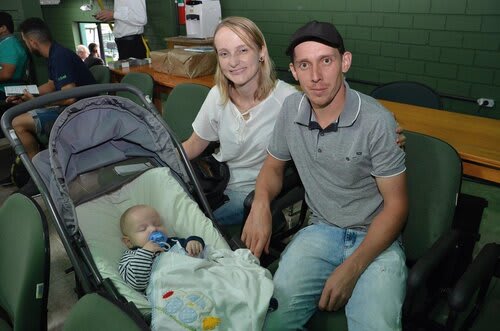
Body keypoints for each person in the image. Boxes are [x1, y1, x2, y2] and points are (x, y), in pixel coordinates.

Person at [242, 21, 408, 330]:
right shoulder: (291, 111)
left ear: (345, 62)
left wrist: (352, 267)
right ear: (294, 71)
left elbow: (397, 207)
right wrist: (261, 203)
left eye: (326, 61)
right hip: (320, 232)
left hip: (377, 240)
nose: (316, 77)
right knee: (268, 321)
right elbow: (272, 167)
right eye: (305, 65)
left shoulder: (377, 122)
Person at [182, 17, 405, 226]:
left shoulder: (288, 101)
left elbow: (339, 106)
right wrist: (157, 159)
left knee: (189, 221)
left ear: (261, 52)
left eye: (242, 50)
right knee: (172, 206)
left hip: (253, 193)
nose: (233, 62)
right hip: (217, 182)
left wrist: (386, 127)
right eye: (224, 54)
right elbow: (193, 145)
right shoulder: (217, 95)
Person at [6, 18, 96, 196]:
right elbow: (50, 85)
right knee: (21, 115)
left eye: (25, 41)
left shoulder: (60, 56)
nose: (26, 45)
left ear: (32, 42)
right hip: (72, 107)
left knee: (17, 123)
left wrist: (35, 101)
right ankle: (41, 168)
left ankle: (40, 178)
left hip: (81, 112)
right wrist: (24, 94)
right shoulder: (54, 53)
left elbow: (69, 98)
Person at [118, 204, 205, 292]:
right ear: (129, 242)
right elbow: (136, 283)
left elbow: (196, 248)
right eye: (143, 229)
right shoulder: (130, 257)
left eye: (157, 224)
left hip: (195, 280)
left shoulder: (174, 242)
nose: (153, 229)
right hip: (171, 292)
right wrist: (146, 252)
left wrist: (194, 242)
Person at [0, 11, 29, 101]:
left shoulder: (9, 45)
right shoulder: (5, 43)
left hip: (5, 92)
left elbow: (6, 74)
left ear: (3, 28)